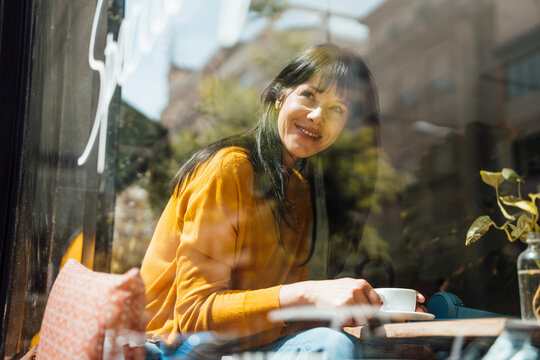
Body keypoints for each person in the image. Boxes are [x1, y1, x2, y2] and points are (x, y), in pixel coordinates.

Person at [140, 44, 425, 359]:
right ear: (279, 95)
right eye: (309, 95)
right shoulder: (228, 168)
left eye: (337, 110)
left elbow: (275, 317)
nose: (317, 116)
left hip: (241, 346)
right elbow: (196, 317)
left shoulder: (297, 190)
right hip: (173, 348)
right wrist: (311, 292)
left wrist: (360, 304)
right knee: (331, 346)